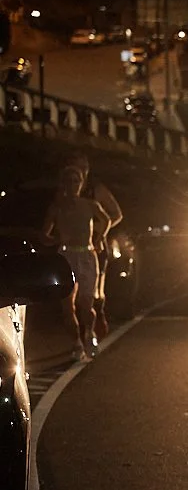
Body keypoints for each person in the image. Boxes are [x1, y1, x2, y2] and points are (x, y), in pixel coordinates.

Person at [41, 165, 109, 359]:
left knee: (87, 304)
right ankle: (76, 343)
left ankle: (89, 334)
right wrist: (55, 240)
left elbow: (106, 220)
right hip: (66, 256)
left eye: (76, 181)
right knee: (67, 305)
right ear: (63, 184)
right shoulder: (57, 207)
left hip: (87, 255)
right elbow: (44, 234)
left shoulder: (89, 205)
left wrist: (99, 237)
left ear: (81, 184)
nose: (73, 185)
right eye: (69, 181)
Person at [64, 152, 124, 341]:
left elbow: (116, 214)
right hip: (71, 247)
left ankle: (97, 323)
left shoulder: (96, 190)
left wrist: (98, 230)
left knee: (95, 291)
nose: (81, 171)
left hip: (93, 245)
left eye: (84, 167)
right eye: (76, 165)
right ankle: (78, 334)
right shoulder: (66, 191)